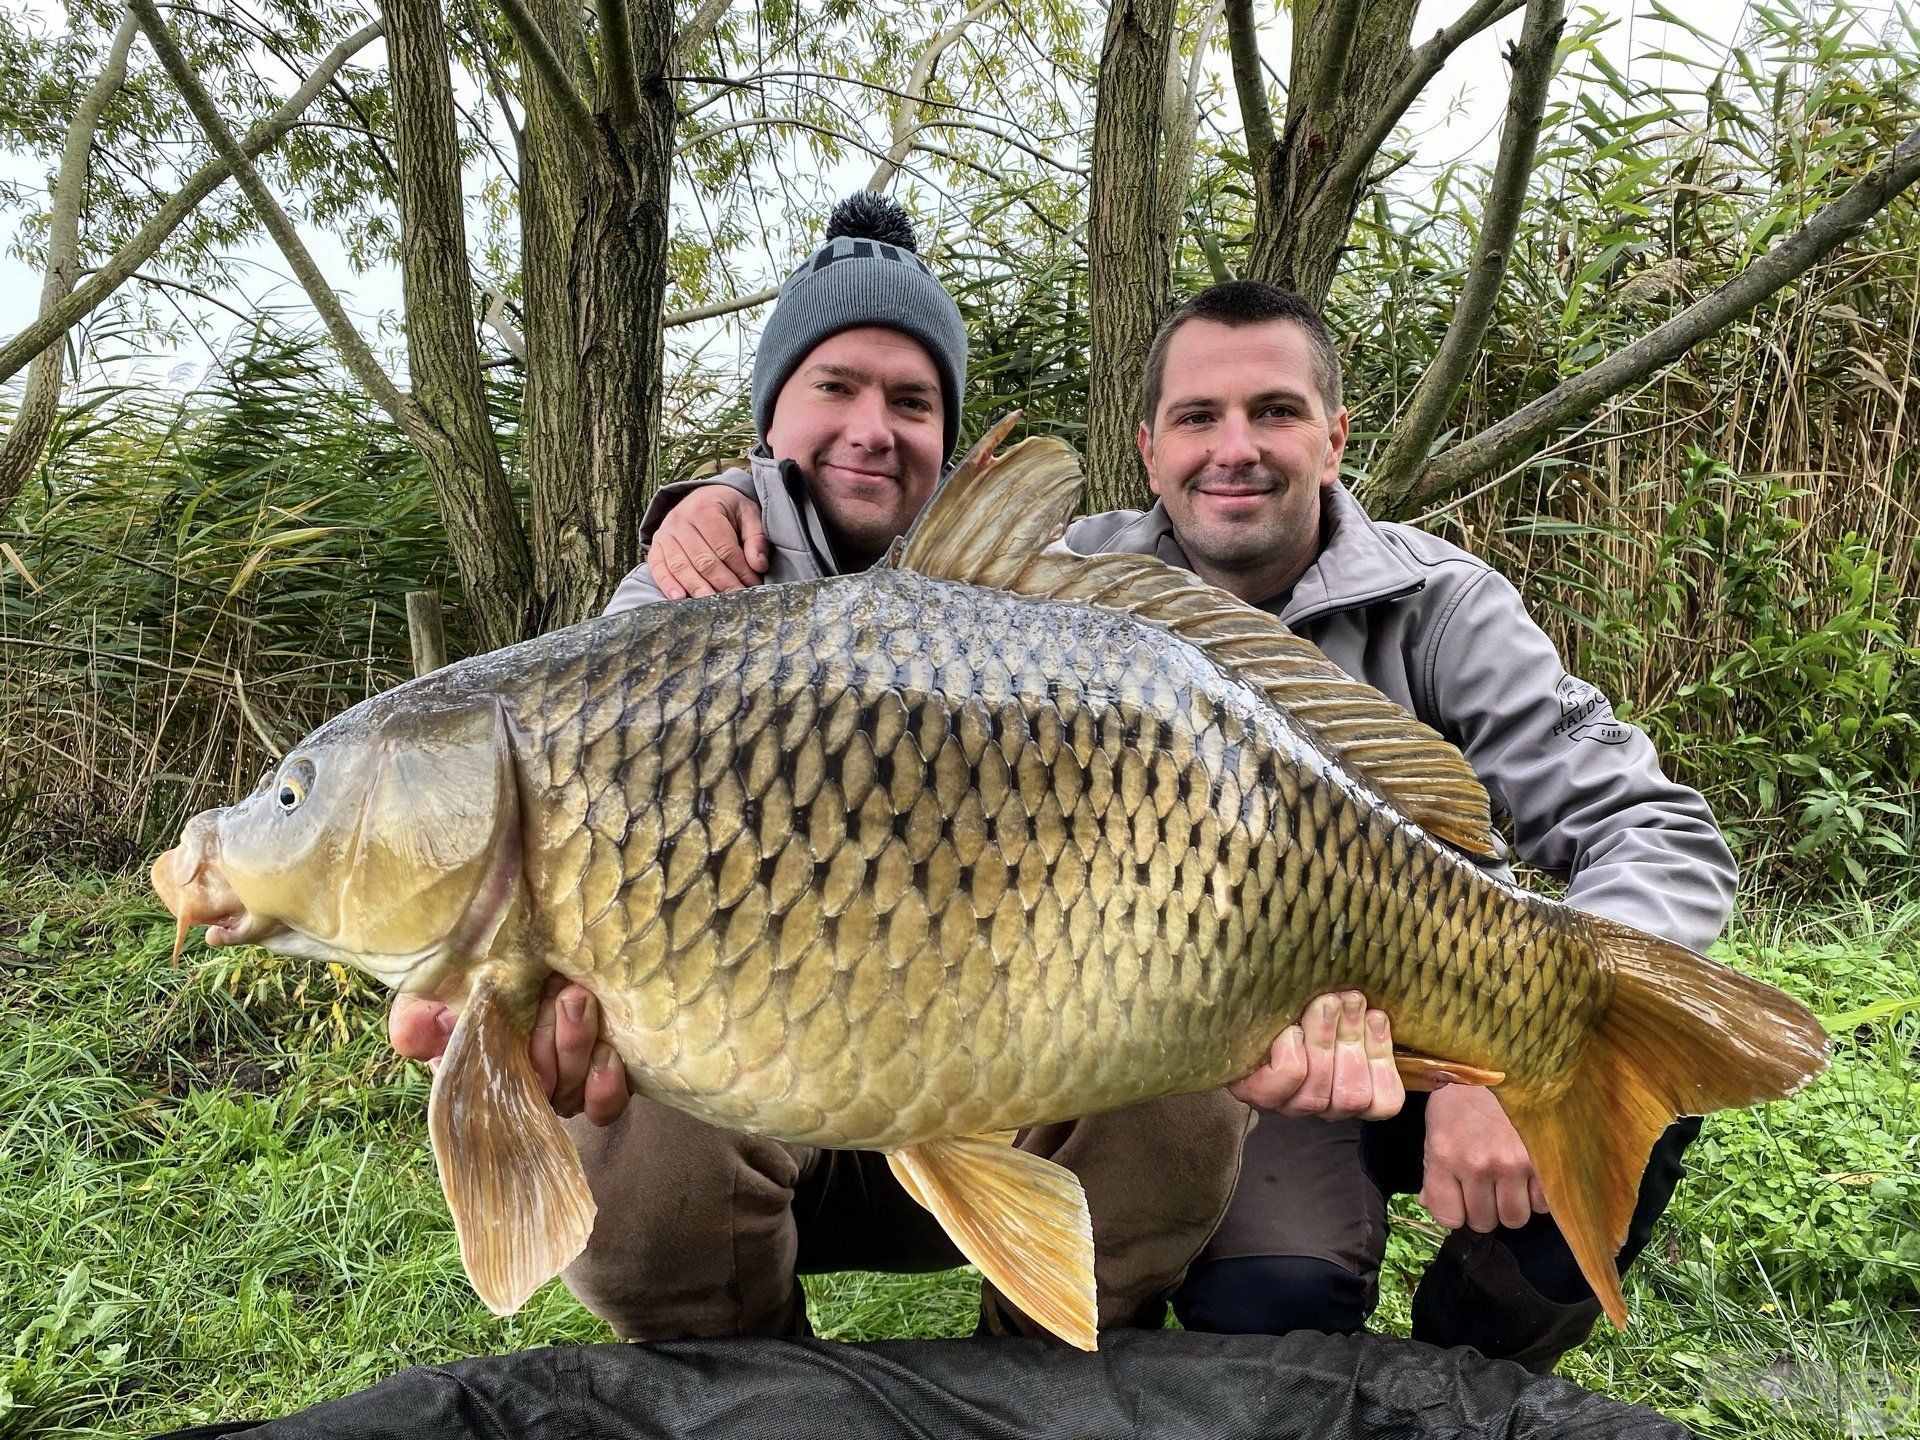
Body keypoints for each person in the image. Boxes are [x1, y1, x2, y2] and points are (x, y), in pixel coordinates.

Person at [635, 278, 1738, 1373]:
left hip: (1403, 987)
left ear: (1335, 436)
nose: (1236, 449)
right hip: (1215, 1053)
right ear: (1149, 447)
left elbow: (1656, 829)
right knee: (1278, 1304)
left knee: (1606, 1067)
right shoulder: (1073, 587)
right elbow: (865, 598)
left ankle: (1465, 1373)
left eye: (1276, 412)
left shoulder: (1444, 604)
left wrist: (1493, 1074)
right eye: (1198, 418)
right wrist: (723, 500)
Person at [390, 203, 1403, 1344]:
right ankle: (751, 1399)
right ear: (773, 413)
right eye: (835, 388)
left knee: (1186, 1076)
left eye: (912, 401)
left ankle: (1040, 1387)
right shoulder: (669, 612)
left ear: (950, 439)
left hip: (1021, 1090)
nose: (873, 428)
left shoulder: (1041, 603)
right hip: (769, 1119)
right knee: (630, 1118)